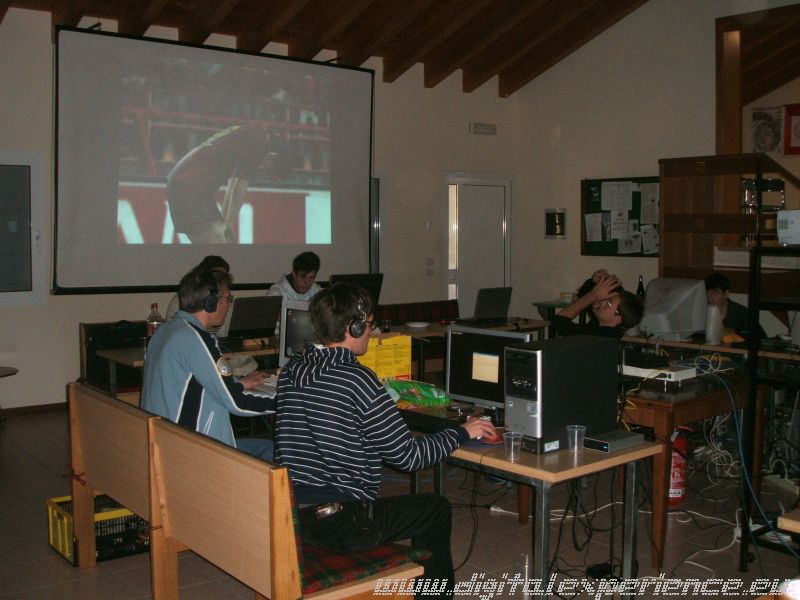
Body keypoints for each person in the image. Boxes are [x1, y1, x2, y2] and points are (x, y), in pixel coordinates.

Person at [273, 282, 495, 598]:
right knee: (435, 509)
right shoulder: (357, 379)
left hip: (294, 514)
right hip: (342, 523)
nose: (372, 331)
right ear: (354, 327)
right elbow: (408, 458)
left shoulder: (292, 368)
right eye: (370, 324)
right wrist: (463, 431)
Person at [141, 265, 276, 461]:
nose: (229, 305)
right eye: (228, 298)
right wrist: (289, 401)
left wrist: (238, 383)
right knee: (274, 450)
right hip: (193, 454)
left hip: (163, 444)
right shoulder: (197, 339)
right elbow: (237, 404)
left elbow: (199, 384)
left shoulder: (166, 330)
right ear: (211, 302)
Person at [166, 124, 291, 243]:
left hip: (192, 187)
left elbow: (232, 185)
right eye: (270, 167)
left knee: (224, 242)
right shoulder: (258, 144)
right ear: (272, 155)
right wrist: (229, 223)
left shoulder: (252, 134)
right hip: (187, 187)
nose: (262, 168)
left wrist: (226, 222)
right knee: (219, 245)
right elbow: (238, 185)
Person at [553, 269, 643, 338]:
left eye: (609, 302)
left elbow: (560, 322)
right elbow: (585, 298)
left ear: (619, 318)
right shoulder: (601, 327)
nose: (601, 302)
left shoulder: (599, 336)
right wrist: (593, 282)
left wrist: (594, 295)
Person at [165, 255, 230, 320]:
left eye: (224, 277)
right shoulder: (183, 299)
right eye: (217, 276)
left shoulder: (226, 301)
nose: (221, 280)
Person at [705, 272, 765, 340]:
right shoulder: (701, 312)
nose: (710, 297)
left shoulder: (742, 314)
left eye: (716, 293)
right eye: (708, 292)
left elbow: (759, 339)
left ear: (726, 294)